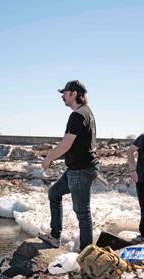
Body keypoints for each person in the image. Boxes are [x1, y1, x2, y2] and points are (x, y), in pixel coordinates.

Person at [39, 80, 99, 250]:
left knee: (82, 211)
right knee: (54, 193)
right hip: (77, 169)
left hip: (81, 170)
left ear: (74, 94)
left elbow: (66, 144)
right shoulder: (86, 112)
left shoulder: (78, 115)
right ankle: (55, 236)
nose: (62, 97)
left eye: (64, 93)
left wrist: (49, 158)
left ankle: (87, 251)